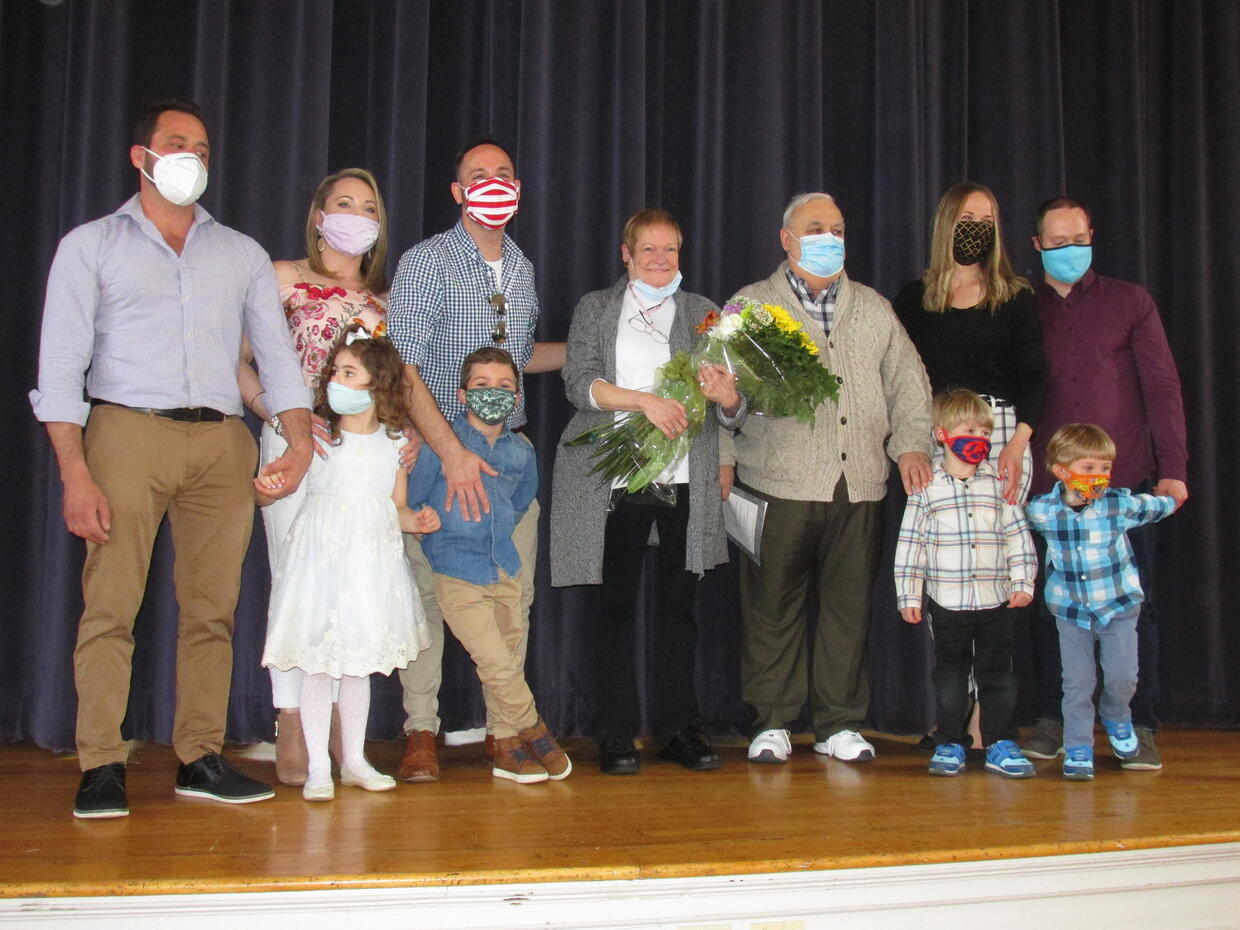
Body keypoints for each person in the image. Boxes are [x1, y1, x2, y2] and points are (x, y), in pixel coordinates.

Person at [29, 98, 313, 819]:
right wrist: (74, 471)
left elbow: (278, 357)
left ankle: (201, 755)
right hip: (127, 431)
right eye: (177, 142)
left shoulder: (241, 253)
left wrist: (301, 436)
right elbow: (60, 368)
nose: (192, 156)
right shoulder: (91, 245)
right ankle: (100, 761)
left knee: (212, 611)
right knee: (111, 607)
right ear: (141, 156)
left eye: (203, 148)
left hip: (221, 440)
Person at [721, 192, 934, 765]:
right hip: (777, 482)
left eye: (838, 227)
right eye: (816, 227)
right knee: (771, 609)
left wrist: (911, 445)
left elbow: (910, 385)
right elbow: (717, 390)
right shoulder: (750, 305)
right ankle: (772, 722)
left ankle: (840, 722)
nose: (830, 237)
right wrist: (722, 446)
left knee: (848, 609)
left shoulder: (873, 307)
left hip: (859, 484)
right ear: (786, 238)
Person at [387, 136, 564, 781]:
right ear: (459, 192)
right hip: (437, 457)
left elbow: (516, 361)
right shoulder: (426, 262)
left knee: (509, 601)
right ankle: (420, 732)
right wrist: (450, 451)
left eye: (506, 174)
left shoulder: (520, 268)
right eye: (479, 176)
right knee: (430, 601)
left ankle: (504, 731)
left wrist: (592, 354)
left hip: (507, 460)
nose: (495, 183)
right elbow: (403, 369)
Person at [550, 209, 739, 774]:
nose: (661, 260)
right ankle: (613, 732)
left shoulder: (706, 313)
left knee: (679, 612)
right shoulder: (597, 308)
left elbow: (734, 410)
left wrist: (727, 396)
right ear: (626, 255)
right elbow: (577, 382)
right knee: (610, 610)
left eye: (671, 250)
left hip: (684, 480)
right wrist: (644, 401)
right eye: (649, 250)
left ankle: (680, 729)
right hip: (613, 478)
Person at [1023, 197, 1189, 770]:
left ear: (1092, 236)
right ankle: (1052, 717)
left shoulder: (1130, 302)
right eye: (1058, 241)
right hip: (1048, 489)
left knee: (1136, 607)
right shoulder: (1022, 307)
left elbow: (1162, 388)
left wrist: (1174, 470)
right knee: (1052, 607)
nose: (1070, 250)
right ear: (1038, 245)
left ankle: (1138, 723)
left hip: (1125, 482)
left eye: (1080, 238)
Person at [238, 167, 391, 786]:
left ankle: (344, 741)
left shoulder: (386, 303)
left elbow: (390, 386)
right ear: (320, 215)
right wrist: (278, 415)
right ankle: (290, 721)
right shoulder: (282, 279)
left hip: (356, 461)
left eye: (369, 206)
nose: (357, 213)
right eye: (344, 203)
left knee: (349, 588)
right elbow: (237, 360)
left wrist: (398, 441)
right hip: (293, 447)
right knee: (293, 580)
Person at [260, 325, 438, 801]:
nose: (335, 380)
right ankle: (319, 765)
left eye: (348, 372)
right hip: (321, 565)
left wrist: (415, 520)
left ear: (376, 385)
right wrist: (269, 488)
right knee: (318, 665)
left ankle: (353, 759)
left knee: (357, 668)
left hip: (368, 568)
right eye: (335, 372)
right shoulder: (320, 442)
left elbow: (395, 507)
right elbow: (288, 487)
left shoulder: (395, 446)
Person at [406, 347, 570, 784]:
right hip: (457, 569)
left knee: (510, 650)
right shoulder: (441, 446)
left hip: (504, 568)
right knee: (493, 658)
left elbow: (519, 503)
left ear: (518, 398)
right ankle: (533, 726)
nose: (492, 395)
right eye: (481, 386)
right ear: (461, 395)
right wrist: (433, 536)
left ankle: (507, 739)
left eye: (504, 387)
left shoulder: (520, 450)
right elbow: (415, 499)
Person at [893, 389, 1037, 778]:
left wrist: (1023, 582)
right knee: (950, 679)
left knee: (999, 676)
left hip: (995, 601)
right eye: (969, 429)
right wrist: (909, 594)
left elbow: (1017, 537)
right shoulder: (926, 489)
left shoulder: (998, 484)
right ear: (942, 435)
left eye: (986, 432)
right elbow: (911, 546)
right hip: (948, 603)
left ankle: (1000, 741)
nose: (980, 438)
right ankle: (950, 743)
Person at [1025, 424, 1177, 780]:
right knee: (1077, 683)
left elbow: (1155, 506)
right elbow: (1014, 520)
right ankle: (1078, 746)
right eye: (1089, 468)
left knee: (1122, 677)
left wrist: (1172, 495)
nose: (1099, 476)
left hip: (1118, 608)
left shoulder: (1117, 505)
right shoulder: (1044, 512)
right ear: (1062, 472)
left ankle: (1116, 716)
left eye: (1105, 468)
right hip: (1071, 612)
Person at [893, 181, 1043, 504]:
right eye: (968, 218)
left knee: (1000, 542)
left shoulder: (1014, 297)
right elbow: (896, 380)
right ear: (948, 223)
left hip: (999, 437)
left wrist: (1018, 445)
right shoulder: (913, 300)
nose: (977, 229)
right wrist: (909, 446)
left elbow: (1036, 376)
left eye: (986, 222)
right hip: (937, 436)